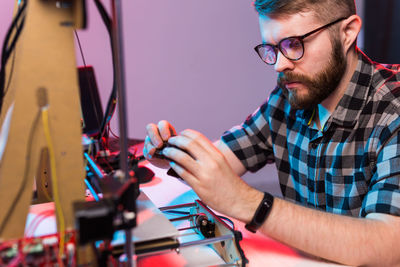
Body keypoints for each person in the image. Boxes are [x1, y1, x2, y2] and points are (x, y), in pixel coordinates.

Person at [143, 0, 400, 266]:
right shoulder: (288, 98)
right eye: (272, 49)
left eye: (294, 45)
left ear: (347, 32)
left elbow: (388, 246)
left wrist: (249, 203)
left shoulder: (394, 110)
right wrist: (168, 153)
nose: (279, 65)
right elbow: (219, 163)